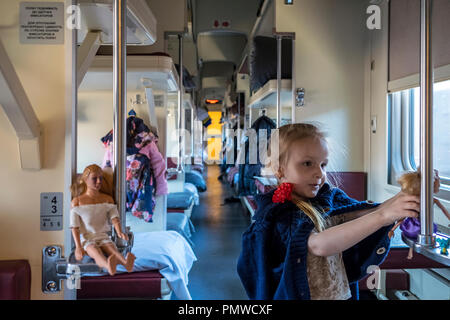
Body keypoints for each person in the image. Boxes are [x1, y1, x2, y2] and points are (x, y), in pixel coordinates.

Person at [237, 123, 420, 300]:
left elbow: (369, 211)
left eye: (323, 164)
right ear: (279, 169)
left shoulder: (330, 197)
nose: (319, 173)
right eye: (307, 163)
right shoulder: (280, 214)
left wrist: (410, 193)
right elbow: (318, 244)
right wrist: (382, 216)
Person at [70, 164, 135, 276]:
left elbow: (115, 218)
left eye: (101, 178)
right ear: (85, 180)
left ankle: (125, 263)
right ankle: (107, 266)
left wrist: (120, 232)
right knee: (95, 252)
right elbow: (74, 227)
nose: (99, 181)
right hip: (87, 238)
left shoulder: (107, 199)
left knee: (112, 249)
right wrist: (78, 247)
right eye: (94, 178)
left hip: (103, 236)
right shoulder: (77, 202)